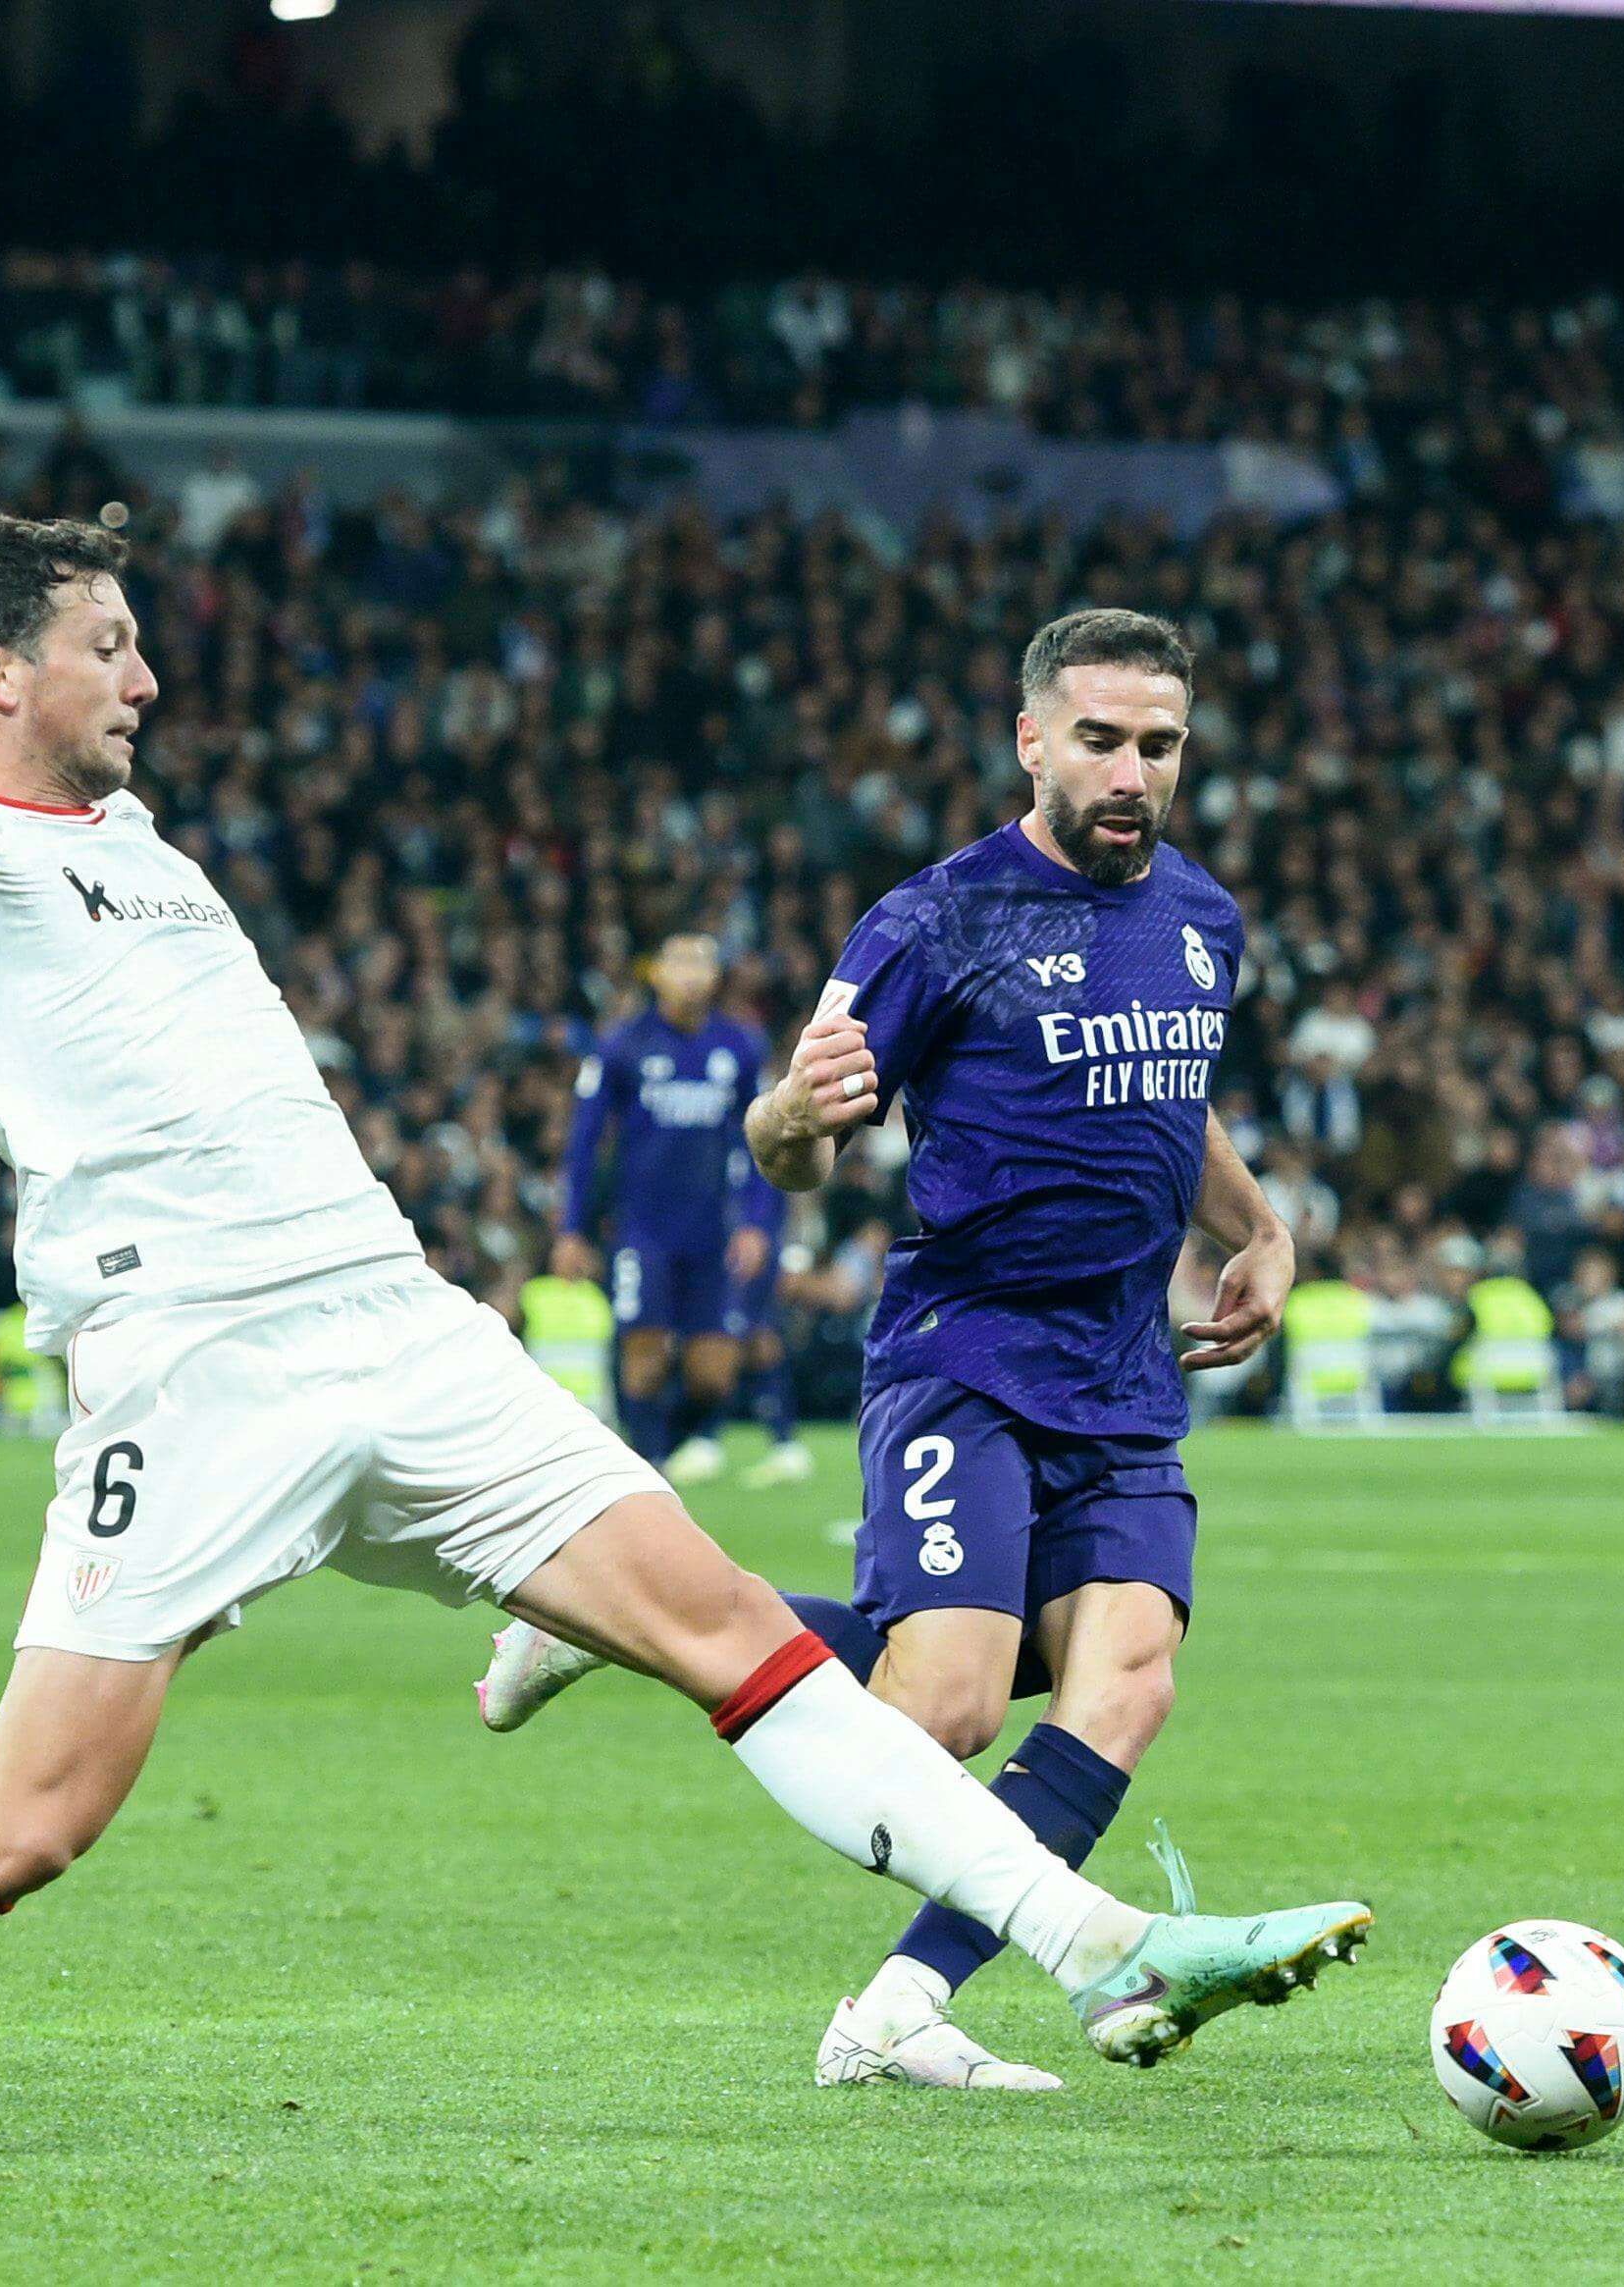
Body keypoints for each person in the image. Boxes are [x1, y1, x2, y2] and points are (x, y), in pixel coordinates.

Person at [0, 103, 1358, 2170]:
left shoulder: (133, 841)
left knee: (739, 1641)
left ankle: (1104, 1946)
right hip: (194, 1355)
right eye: (104, 644)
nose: (144, 668)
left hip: (394, 1321)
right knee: (26, 1822)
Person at [481, 607, 1350, 2091]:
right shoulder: (934, 921)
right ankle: (622, 1616)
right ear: (1031, 740)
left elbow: (1171, 1099)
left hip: (1124, 1377)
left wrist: (1258, 1226)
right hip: (969, 1354)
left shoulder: (1202, 919)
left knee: (1125, 1680)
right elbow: (788, 1143)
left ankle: (895, 2010)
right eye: (1101, 740)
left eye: (1160, 744)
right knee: (939, 1705)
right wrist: (794, 1116)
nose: (1133, 770)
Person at [553, 931, 780, 1484]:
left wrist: (757, 1222)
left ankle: (676, 1443)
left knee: (713, 1373)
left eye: (702, 961)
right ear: (655, 972)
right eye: (679, 960)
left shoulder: (741, 1047)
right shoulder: (622, 1045)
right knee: (645, 1355)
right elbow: (585, 1141)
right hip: (642, 1227)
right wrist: (571, 1229)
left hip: (714, 1229)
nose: (691, 972)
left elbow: (766, 1137)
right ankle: (646, 1467)